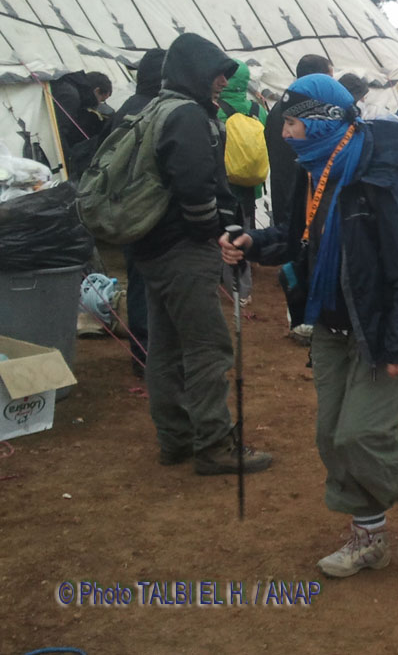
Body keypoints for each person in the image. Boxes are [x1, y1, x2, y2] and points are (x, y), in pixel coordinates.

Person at [221, 74, 398, 577]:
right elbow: (302, 240)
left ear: (323, 122)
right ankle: (367, 536)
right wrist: (254, 242)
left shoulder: (383, 177)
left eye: (295, 123)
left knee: (361, 434)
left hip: (383, 326)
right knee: (330, 436)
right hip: (332, 323)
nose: (285, 133)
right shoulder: (316, 170)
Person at [130, 33, 272, 475]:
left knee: (167, 345)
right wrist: (213, 231)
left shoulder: (151, 109)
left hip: (150, 245)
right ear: (195, 73)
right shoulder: (187, 116)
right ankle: (212, 442)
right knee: (208, 347)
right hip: (183, 249)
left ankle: (175, 438)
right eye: (214, 74)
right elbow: (194, 189)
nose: (219, 83)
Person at [108, 49, 166, 378]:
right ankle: (152, 357)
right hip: (152, 214)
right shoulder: (159, 111)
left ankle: (141, 354)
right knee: (154, 285)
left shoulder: (125, 109)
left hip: (128, 213)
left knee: (138, 283)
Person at [266, 54, 332, 226]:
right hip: (305, 201)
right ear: (320, 78)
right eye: (330, 77)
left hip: (282, 192)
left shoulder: (279, 106)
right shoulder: (311, 110)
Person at [216, 60, 268, 230]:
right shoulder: (257, 110)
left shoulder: (214, 109)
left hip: (224, 184)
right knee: (247, 228)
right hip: (250, 185)